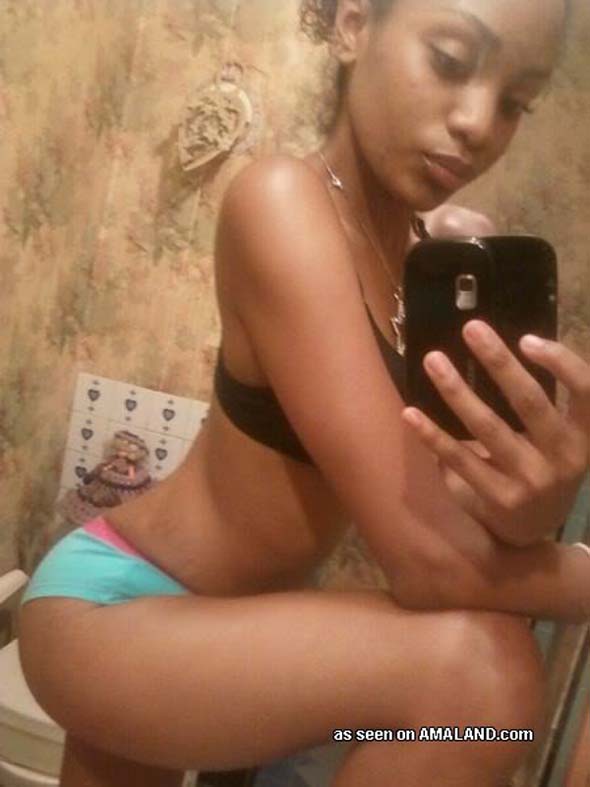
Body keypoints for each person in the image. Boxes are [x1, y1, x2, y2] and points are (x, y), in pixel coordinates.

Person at [17, 1, 590, 786]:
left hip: (223, 628)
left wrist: (534, 503)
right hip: (118, 606)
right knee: (484, 678)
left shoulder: (424, 262)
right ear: (353, 25)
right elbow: (431, 563)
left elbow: (455, 528)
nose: (477, 122)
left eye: (516, 102)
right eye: (452, 61)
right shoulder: (282, 199)